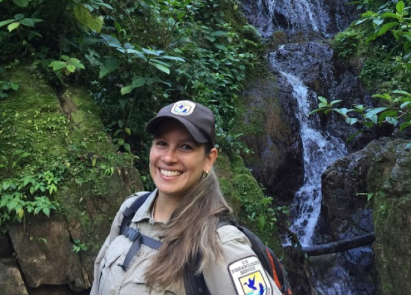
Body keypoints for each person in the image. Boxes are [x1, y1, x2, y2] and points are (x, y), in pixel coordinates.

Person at [91, 100, 282, 295]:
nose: (168, 158)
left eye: (186, 147)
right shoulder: (130, 211)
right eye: (162, 143)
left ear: (209, 159)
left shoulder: (219, 243)